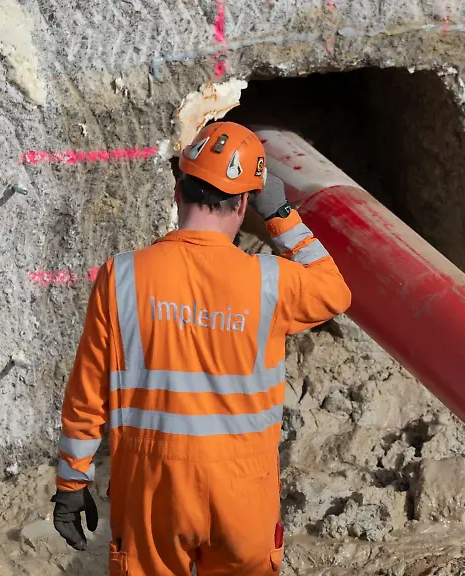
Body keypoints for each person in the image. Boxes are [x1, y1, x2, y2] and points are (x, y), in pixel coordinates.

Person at [49, 121, 352, 575]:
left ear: (178, 191)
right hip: (244, 492)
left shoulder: (122, 277)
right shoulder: (271, 282)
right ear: (246, 201)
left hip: (152, 490)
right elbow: (335, 292)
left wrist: (72, 480)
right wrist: (283, 215)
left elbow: (88, 390)